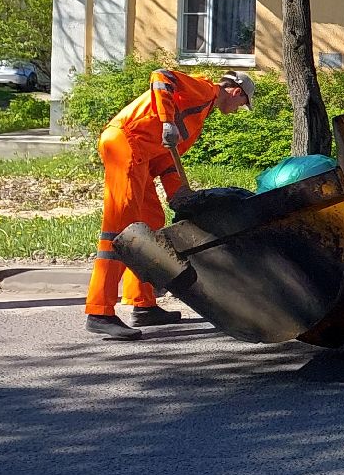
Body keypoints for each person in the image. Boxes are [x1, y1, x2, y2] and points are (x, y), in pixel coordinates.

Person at [86, 68, 254, 340]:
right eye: (242, 104)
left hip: (141, 156)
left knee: (150, 224)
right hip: (126, 143)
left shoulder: (200, 116)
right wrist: (167, 122)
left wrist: (180, 197)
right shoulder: (204, 90)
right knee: (120, 231)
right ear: (236, 92)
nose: (237, 110)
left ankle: (143, 304)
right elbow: (161, 76)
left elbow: (167, 162)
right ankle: (99, 311)